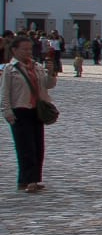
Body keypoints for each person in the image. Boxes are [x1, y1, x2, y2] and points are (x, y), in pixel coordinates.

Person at [4, 35, 55, 193]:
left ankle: (34, 179)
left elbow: (48, 85)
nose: (28, 52)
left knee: (38, 146)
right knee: (25, 147)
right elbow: (4, 92)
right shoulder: (10, 69)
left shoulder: (37, 66)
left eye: (29, 49)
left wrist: (51, 72)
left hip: (36, 110)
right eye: (24, 49)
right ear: (14, 50)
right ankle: (26, 180)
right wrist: (6, 111)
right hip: (20, 109)